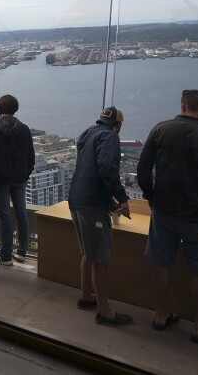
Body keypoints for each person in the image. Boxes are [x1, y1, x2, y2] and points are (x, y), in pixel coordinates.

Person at [137, 90, 198, 344]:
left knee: (162, 263)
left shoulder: (160, 130)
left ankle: (160, 315)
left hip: (164, 211)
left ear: (183, 105)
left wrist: (151, 197)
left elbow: (143, 168)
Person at [68, 106, 132, 325]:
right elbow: (106, 169)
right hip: (93, 206)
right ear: (118, 126)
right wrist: (122, 198)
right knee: (101, 259)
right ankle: (105, 312)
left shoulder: (87, 133)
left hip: (77, 199)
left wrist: (109, 200)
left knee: (89, 252)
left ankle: (86, 296)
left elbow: (91, 169)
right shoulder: (111, 137)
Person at [0, 95, 35, 265]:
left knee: (5, 215)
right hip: (20, 178)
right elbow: (31, 156)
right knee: (21, 213)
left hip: (0, 178)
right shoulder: (24, 129)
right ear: (15, 109)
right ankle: (22, 251)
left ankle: (6, 254)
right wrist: (26, 174)